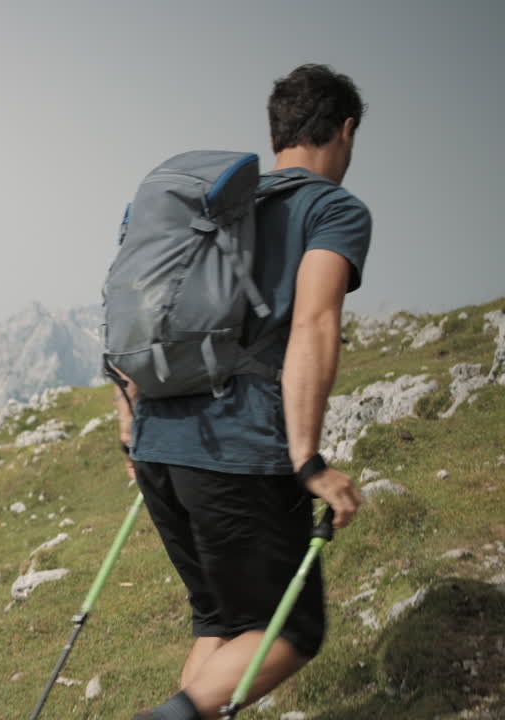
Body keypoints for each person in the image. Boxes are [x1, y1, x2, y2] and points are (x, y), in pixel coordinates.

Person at [118, 64, 371, 720]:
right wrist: (308, 460)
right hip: (236, 447)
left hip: (158, 443)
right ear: (344, 132)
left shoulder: (214, 213)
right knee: (288, 631)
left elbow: (140, 312)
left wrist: (131, 421)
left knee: (221, 624)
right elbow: (315, 323)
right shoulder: (331, 209)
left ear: (278, 131)